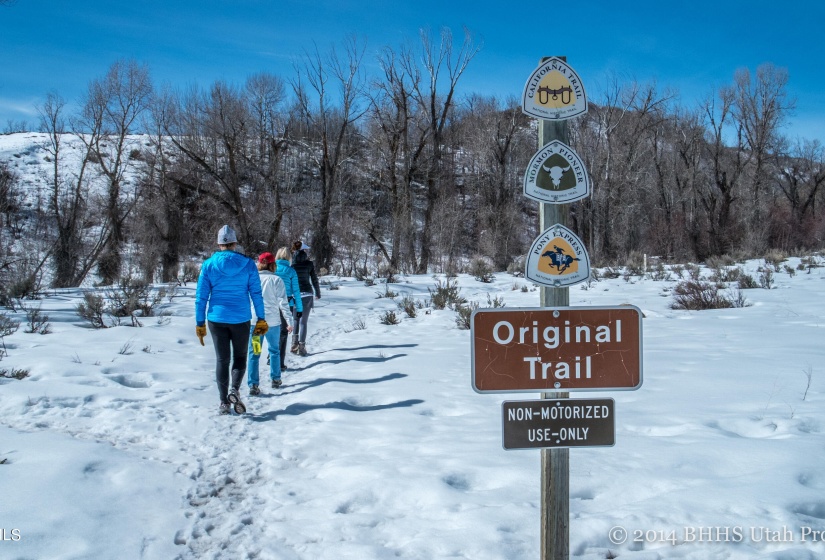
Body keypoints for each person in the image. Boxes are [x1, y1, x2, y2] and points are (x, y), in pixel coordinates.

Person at [195, 225, 268, 415]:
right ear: (235, 243)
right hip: (241, 317)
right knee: (240, 357)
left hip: (216, 319)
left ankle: (223, 403)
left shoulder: (209, 265)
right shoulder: (248, 264)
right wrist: (261, 317)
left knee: (222, 359)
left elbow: (201, 297)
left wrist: (199, 322)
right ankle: (234, 389)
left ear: (219, 243)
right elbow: (256, 294)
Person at [248, 252, 293, 393]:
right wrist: (289, 320)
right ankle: (275, 378)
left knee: (255, 352)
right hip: (272, 323)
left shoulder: (252, 279)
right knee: (274, 350)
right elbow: (283, 303)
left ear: (260, 263)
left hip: (256, 322)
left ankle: (253, 384)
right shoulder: (277, 280)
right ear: (273, 264)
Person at [290, 241, 321, 356]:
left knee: (295, 320)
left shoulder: (292, 265)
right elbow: (314, 279)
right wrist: (318, 292)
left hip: (295, 295)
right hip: (307, 294)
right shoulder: (309, 264)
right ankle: (302, 347)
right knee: (303, 322)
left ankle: (294, 344)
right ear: (304, 251)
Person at [275, 247, 303, 371]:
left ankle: (271, 357)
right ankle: (280, 362)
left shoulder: (271, 268)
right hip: (287, 303)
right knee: (283, 332)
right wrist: (300, 308)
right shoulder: (291, 271)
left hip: (272, 302)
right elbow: (296, 291)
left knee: (273, 331)